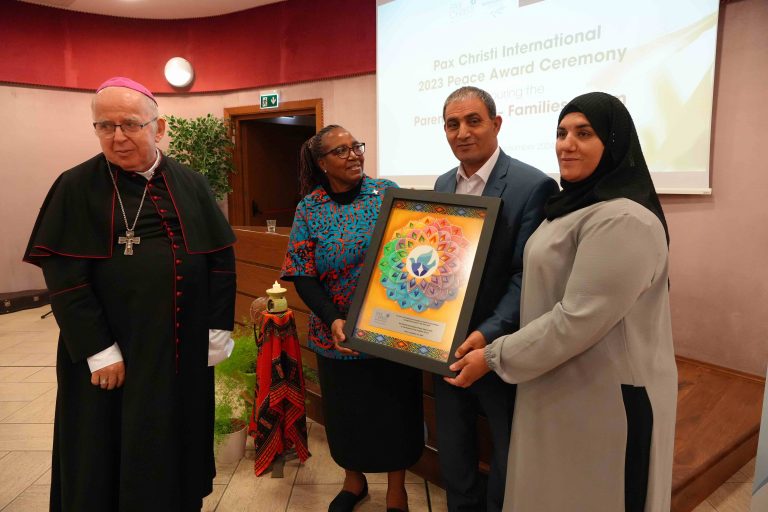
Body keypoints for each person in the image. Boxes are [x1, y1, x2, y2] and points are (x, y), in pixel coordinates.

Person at [447, 92, 676, 512]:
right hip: (555, 380)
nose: (567, 144)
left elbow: (576, 319)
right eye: (562, 133)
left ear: (614, 142)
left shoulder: (624, 220)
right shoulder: (571, 208)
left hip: (605, 397)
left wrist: (493, 354)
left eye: (584, 133)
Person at [23, 77, 237, 511]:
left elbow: (219, 259)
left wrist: (217, 328)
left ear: (159, 128)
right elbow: (65, 277)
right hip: (114, 352)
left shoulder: (191, 183)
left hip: (181, 348)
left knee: (177, 441)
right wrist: (98, 350)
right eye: (105, 126)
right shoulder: (76, 185)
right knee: (106, 450)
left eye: (130, 125)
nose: (117, 136)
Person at [281, 125, 424, 512]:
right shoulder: (309, 208)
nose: (354, 155)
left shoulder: (387, 192)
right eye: (341, 150)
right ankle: (354, 482)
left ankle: (397, 490)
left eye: (355, 146)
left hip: (389, 329)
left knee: (396, 412)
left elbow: (413, 250)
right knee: (346, 415)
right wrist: (332, 319)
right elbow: (302, 274)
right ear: (322, 163)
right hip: (335, 334)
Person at [433, 86, 558, 511]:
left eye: (474, 121)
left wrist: (487, 334)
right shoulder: (443, 183)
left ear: (496, 124)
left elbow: (527, 275)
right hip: (445, 341)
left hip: (500, 344)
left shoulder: (532, 185)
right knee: (453, 444)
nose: (462, 133)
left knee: (507, 447)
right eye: (452, 124)